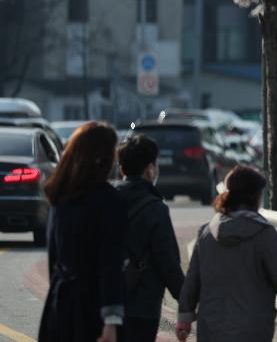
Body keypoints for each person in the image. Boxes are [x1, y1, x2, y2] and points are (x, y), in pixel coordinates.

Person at [176, 166, 277, 342]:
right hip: (253, 328)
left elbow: (192, 280)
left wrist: (184, 319)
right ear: (255, 197)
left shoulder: (207, 233)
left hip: (211, 327)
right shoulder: (263, 233)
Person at [39, 122, 126, 342]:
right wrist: (112, 320)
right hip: (92, 309)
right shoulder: (108, 200)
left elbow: (53, 259)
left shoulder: (60, 197)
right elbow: (110, 264)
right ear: (102, 158)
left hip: (59, 306)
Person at [115, 135, 185, 342]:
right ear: (149, 170)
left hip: (105, 302)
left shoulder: (106, 201)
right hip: (142, 307)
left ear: (122, 169)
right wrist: (187, 302)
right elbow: (168, 263)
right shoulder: (155, 209)